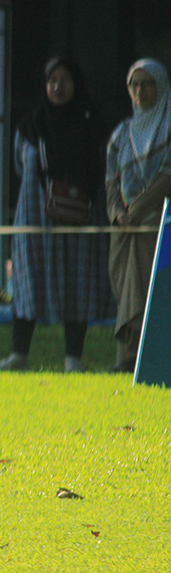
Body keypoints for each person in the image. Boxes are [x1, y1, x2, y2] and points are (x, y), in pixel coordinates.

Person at [0, 57, 115, 373]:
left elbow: (104, 167)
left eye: (65, 80)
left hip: (81, 216)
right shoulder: (30, 126)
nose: (58, 86)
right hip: (36, 215)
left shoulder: (91, 124)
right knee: (29, 280)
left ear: (77, 84)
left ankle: (73, 358)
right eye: (53, 80)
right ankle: (19, 355)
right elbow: (20, 166)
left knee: (78, 281)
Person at [105, 58, 171, 373]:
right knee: (125, 288)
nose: (140, 91)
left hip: (158, 222)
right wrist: (117, 213)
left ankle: (140, 360)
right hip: (125, 226)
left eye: (147, 84)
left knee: (149, 287)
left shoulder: (168, 128)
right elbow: (111, 181)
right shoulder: (121, 134)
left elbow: (167, 176)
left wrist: (139, 210)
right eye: (134, 84)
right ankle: (125, 357)